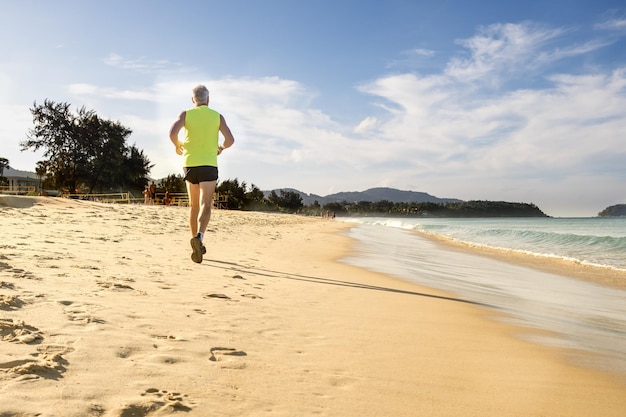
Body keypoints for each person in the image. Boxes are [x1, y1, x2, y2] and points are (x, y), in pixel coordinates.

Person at [169, 84, 235, 263]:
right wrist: (220, 147)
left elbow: (172, 133)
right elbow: (230, 140)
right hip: (209, 164)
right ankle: (200, 237)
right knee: (206, 203)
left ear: (193, 100)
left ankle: (193, 239)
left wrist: (178, 145)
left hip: (190, 164)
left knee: (194, 206)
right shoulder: (217, 116)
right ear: (208, 99)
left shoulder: (186, 114)